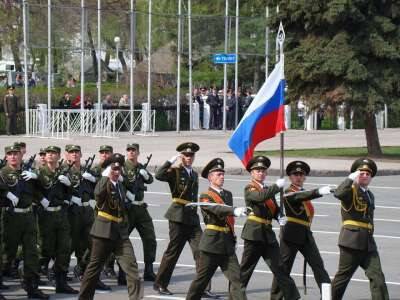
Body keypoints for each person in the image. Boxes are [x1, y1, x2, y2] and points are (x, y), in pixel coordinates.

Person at [154, 142, 217, 298]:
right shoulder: (175, 171)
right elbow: (159, 175)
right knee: (173, 252)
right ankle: (160, 284)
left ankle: (203, 288)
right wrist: (170, 161)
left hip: (192, 218)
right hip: (177, 216)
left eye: (191, 155)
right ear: (181, 156)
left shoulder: (194, 174)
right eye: (186, 155)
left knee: (202, 251)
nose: (189, 158)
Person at [79, 153, 142, 300]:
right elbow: (98, 194)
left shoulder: (120, 185)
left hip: (120, 234)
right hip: (103, 233)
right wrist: (105, 176)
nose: (117, 172)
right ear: (108, 170)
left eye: (119, 169)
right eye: (113, 169)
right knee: (94, 269)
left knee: (132, 268)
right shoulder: (104, 183)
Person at [186, 158, 248, 300]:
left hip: (226, 244)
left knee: (237, 279)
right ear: (210, 177)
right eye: (218, 174)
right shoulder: (205, 196)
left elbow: (228, 220)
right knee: (201, 281)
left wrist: (232, 236)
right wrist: (233, 210)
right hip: (212, 245)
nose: (222, 177)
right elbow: (215, 208)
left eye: (222, 174)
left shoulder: (227, 194)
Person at [239, 156, 300, 300]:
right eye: (257, 171)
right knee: (245, 271)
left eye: (263, 171)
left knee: (280, 268)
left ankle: (293, 297)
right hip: (254, 234)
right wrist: (276, 187)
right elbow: (260, 197)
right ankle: (235, 297)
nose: (260, 173)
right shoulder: (250, 188)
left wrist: (279, 216)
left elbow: (273, 208)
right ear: (252, 173)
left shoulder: (267, 189)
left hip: (268, 235)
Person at [270, 160, 332, 300]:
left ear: (305, 177)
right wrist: (318, 192)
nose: (298, 177)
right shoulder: (288, 192)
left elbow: (304, 196)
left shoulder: (304, 192)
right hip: (291, 234)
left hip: (306, 234)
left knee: (318, 265)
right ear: (290, 177)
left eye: (301, 175)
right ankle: (276, 298)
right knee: (284, 268)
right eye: (295, 174)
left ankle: (327, 296)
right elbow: (298, 197)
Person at [331, 158, 389, 300]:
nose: (365, 176)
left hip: (368, 243)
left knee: (377, 277)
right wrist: (349, 179)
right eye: (361, 173)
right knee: (343, 277)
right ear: (355, 175)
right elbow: (338, 193)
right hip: (351, 241)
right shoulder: (350, 191)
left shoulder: (369, 195)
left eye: (368, 174)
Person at [0, 145, 49, 299]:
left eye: (16, 154)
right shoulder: (2, 173)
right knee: (6, 254)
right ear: (6, 157)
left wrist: (37, 177)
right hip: (10, 218)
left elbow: (43, 187)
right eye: (10, 154)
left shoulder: (27, 173)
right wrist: (7, 193)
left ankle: (32, 287)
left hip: (28, 217)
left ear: (21, 155)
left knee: (31, 253)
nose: (13, 156)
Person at [36, 146, 78, 294]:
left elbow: (72, 191)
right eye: (48, 153)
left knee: (64, 249)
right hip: (46, 215)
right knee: (45, 249)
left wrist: (68, 184)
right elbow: (31, 189)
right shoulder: (40, 172)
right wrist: (41, 199)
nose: (50, 156)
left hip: (61, 215)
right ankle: (32, 281)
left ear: (59, 156)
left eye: (53, 154)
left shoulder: (63, 172)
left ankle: (61, 282)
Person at [123, 143, 157, 281]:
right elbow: (116, 183)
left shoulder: (141, 167)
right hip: (128, 208)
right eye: (129, 150)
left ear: (138, 152)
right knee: (122, 239)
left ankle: (149, 269)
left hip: (141, 208)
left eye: (134, 150)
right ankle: (116, 270)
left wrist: (146, 174)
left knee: (150, 238)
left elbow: (150, 180)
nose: (131, 153)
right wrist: (127, 194)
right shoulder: (122, 167)